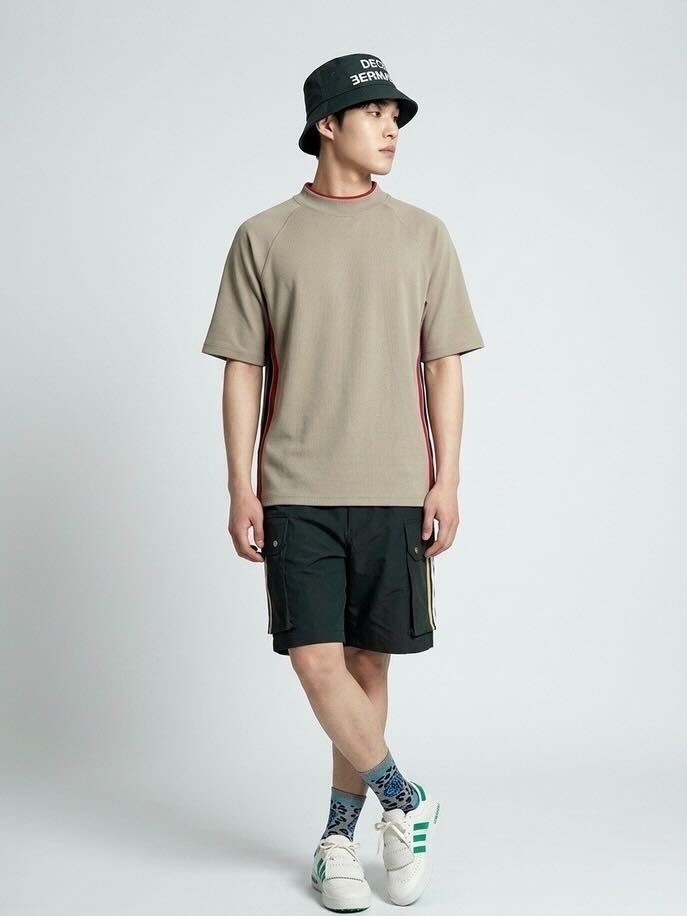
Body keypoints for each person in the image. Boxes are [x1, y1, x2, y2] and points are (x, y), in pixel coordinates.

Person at [201, 52, 484, 911]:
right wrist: (240, 486)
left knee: (366, 667)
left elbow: (443, 365)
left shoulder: (423, 234)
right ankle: (406, 797)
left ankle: (337, 843)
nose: (391, 130)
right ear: (327, 124)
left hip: (396, 486)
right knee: (315, 660)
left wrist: (447, 480)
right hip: (295, 487)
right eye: (374, 114)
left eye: (396, 117)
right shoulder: (263, 236)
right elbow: (242, 368)